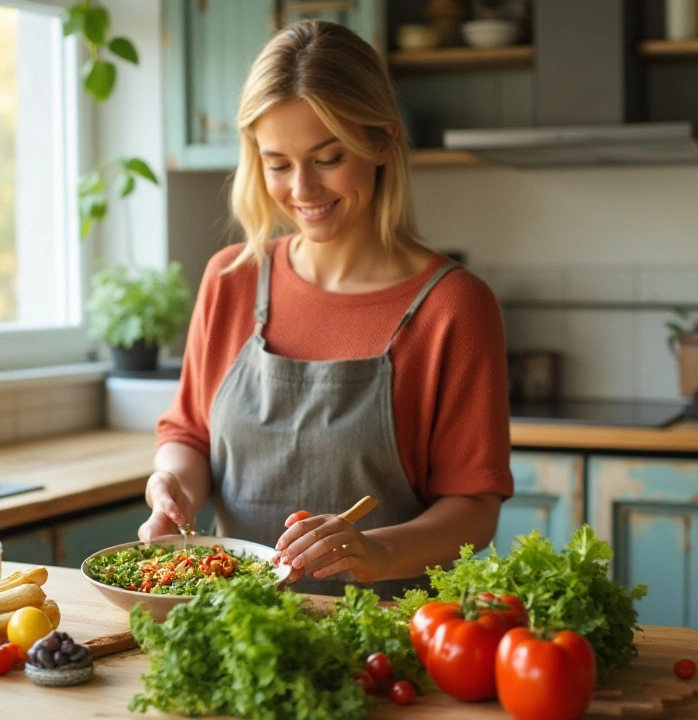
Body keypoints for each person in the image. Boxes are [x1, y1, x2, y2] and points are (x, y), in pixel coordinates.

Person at [140, 19, 513, 597]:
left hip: (388, 641)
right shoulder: (232, 278)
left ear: (383, 141)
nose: (302, 190)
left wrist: (378, 550)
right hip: (235, 629)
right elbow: (189, 433)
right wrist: (173, 485)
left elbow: (474, 508)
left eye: (327, 157)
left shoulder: (453, 306)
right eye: (277, 163)